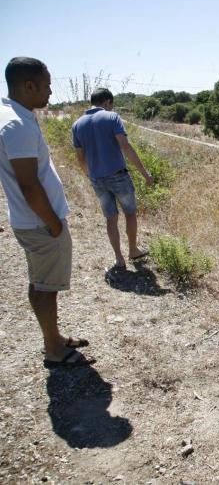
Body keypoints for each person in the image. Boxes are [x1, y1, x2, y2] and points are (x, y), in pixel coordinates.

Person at [0, 57, 94, 367]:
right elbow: (29, 185)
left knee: (40, 283)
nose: (51, 92)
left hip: (33, 222)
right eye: (46, 85)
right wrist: (53, 223)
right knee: (46, 288)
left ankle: (53, 337)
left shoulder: (15, 116)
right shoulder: (16, 125)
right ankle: (54, 350)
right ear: (28, 86)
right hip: (40, 223)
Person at [72, 88, 153, 269]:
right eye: (111, 105)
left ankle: (119, 258)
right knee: (130, 213)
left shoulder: (77, 125)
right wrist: (145, 173)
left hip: (97, 179)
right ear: (107, 102)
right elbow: (125, 147)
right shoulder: (112, 117)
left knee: (110, 218)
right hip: (118, 175)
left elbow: (80, 158)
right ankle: (133, 250)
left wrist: (89, 175)